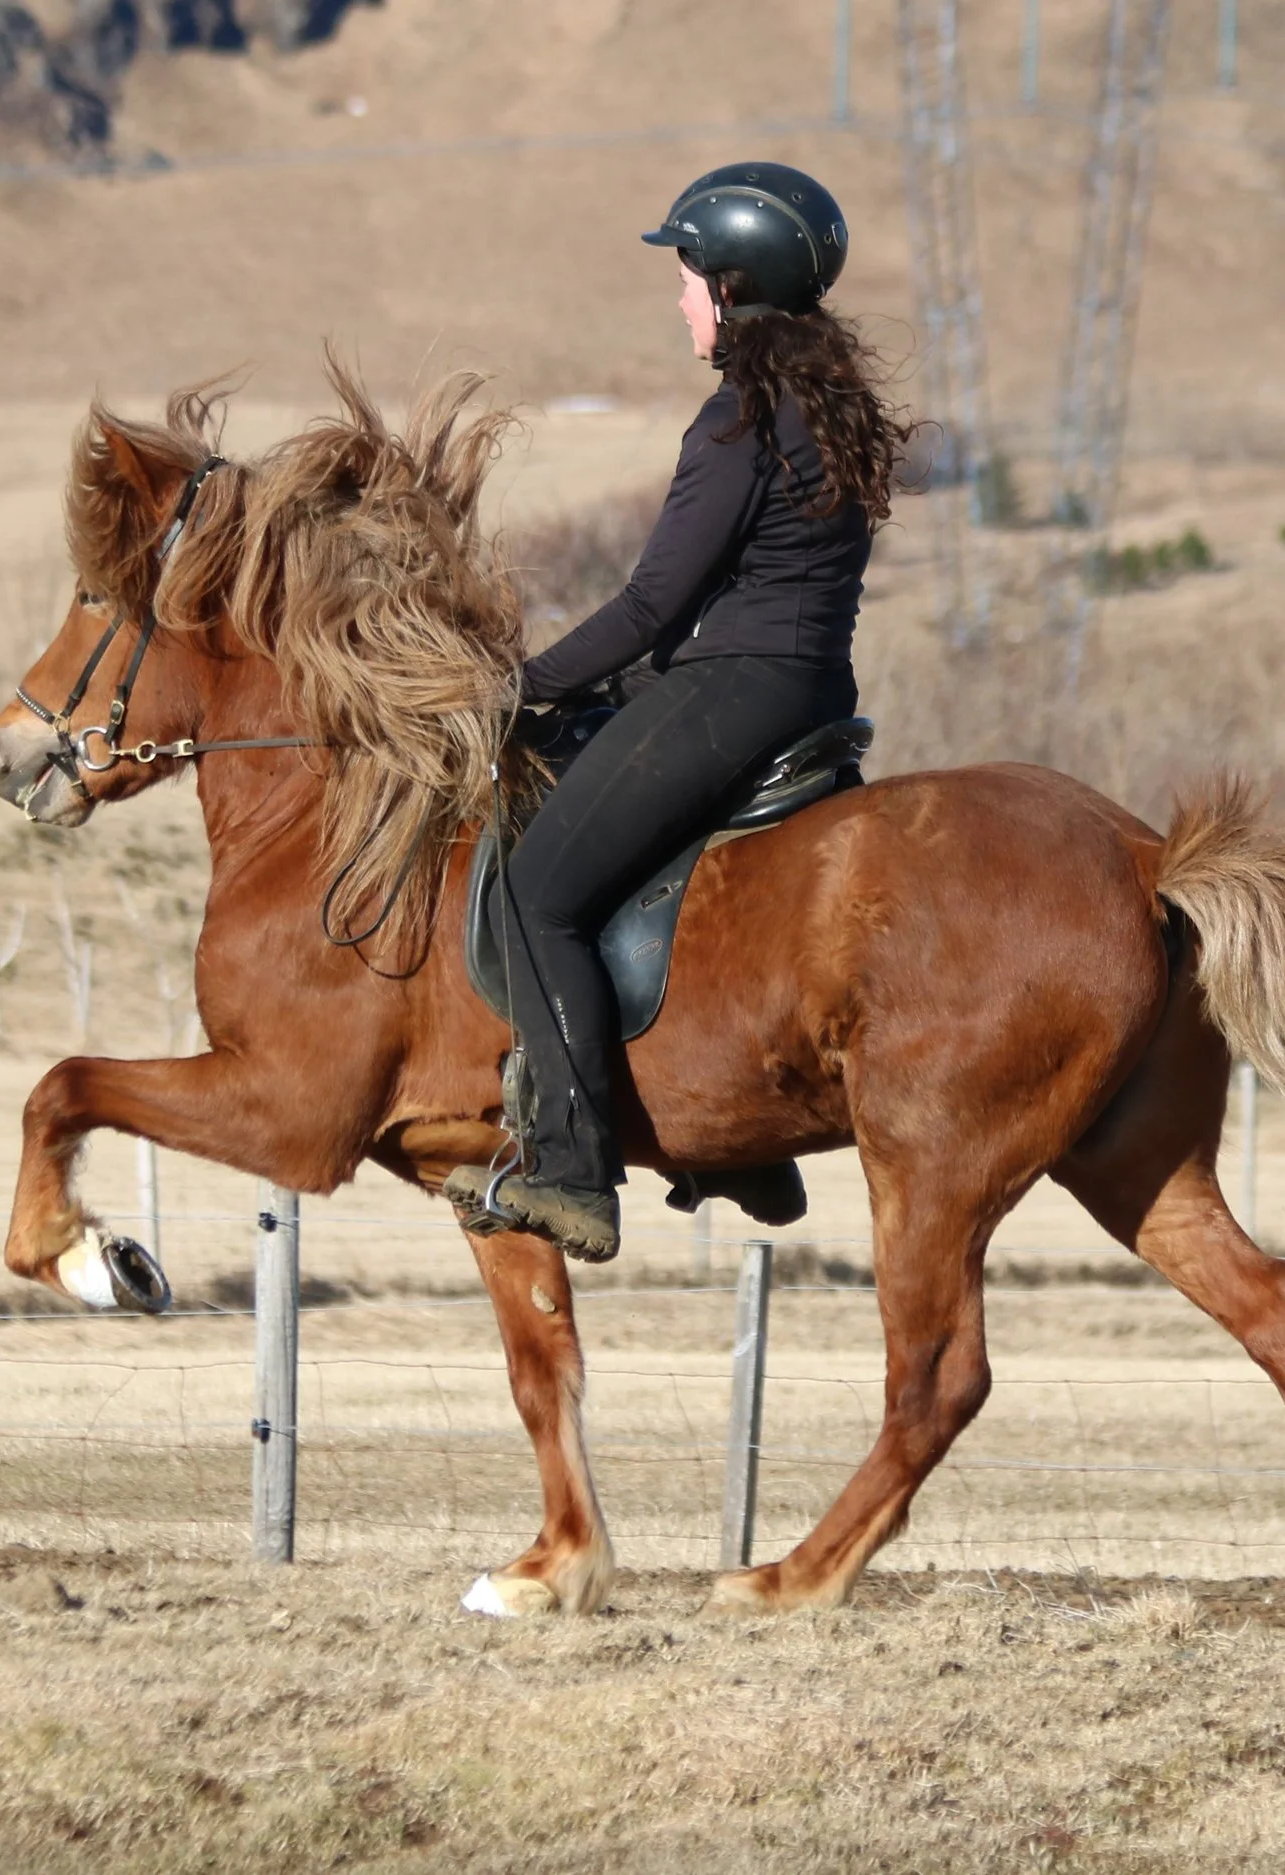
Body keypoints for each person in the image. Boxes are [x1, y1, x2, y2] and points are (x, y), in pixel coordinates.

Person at [443, 161, 908, 1262]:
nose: (678, 296)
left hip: (728, 690)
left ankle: (569, 1172)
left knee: (535, 893)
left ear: (730, 287)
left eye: (687, 272)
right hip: (807, 690)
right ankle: (735, 1140)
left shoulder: (737, 421)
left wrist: (518, 689)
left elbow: (654, 603)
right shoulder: (828, 407)